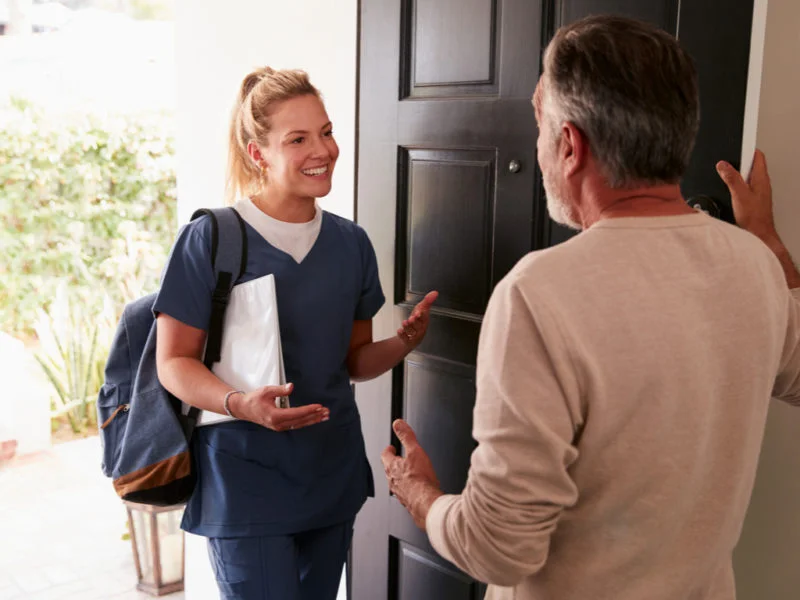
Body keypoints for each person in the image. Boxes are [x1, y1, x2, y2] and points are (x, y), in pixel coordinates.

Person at [382, 15, 800, 600]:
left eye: (537, 123)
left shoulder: (539, 293)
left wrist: (419, 493)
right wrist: (773, 250)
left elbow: (498, 547)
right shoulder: (756, 267)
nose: (535, 144)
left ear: (569, 145)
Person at [154, 67, 437, 600]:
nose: (323, 150)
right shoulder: (211, 237)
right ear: (257, 153)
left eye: (326, 132)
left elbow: (355, 362)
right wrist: (242, 404)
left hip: (330, 472)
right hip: (245, 477)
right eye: (298, 139)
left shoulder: (351, 244)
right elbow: (173, 364)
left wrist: (403, 343)